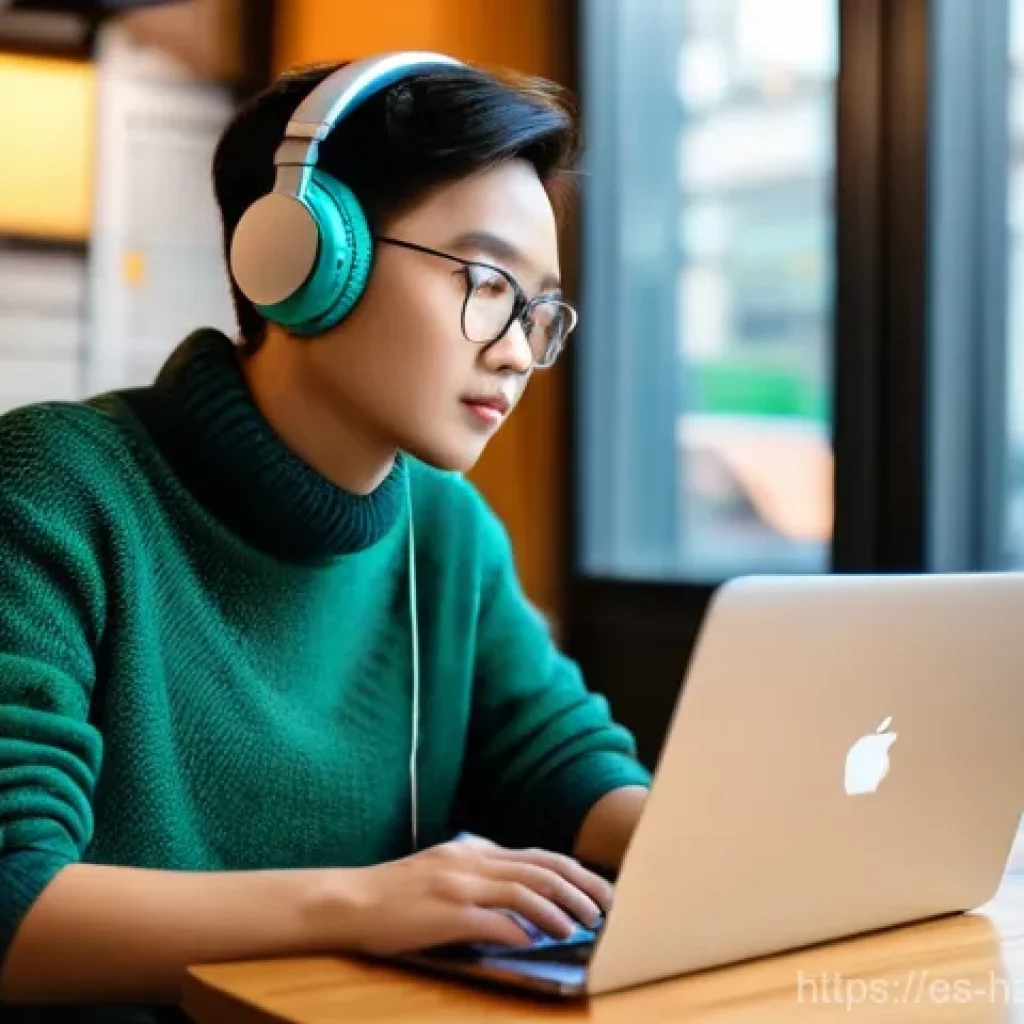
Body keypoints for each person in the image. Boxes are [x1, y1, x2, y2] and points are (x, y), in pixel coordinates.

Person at [0, 52, 651, 1021]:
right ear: (300, 259)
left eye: (538, 308)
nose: (517, 349)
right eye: (484, 279)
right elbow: (13, 906)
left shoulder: (444, 525)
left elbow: (559, 761)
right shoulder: (56, 486)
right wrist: (361, 900)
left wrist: (735, 849)